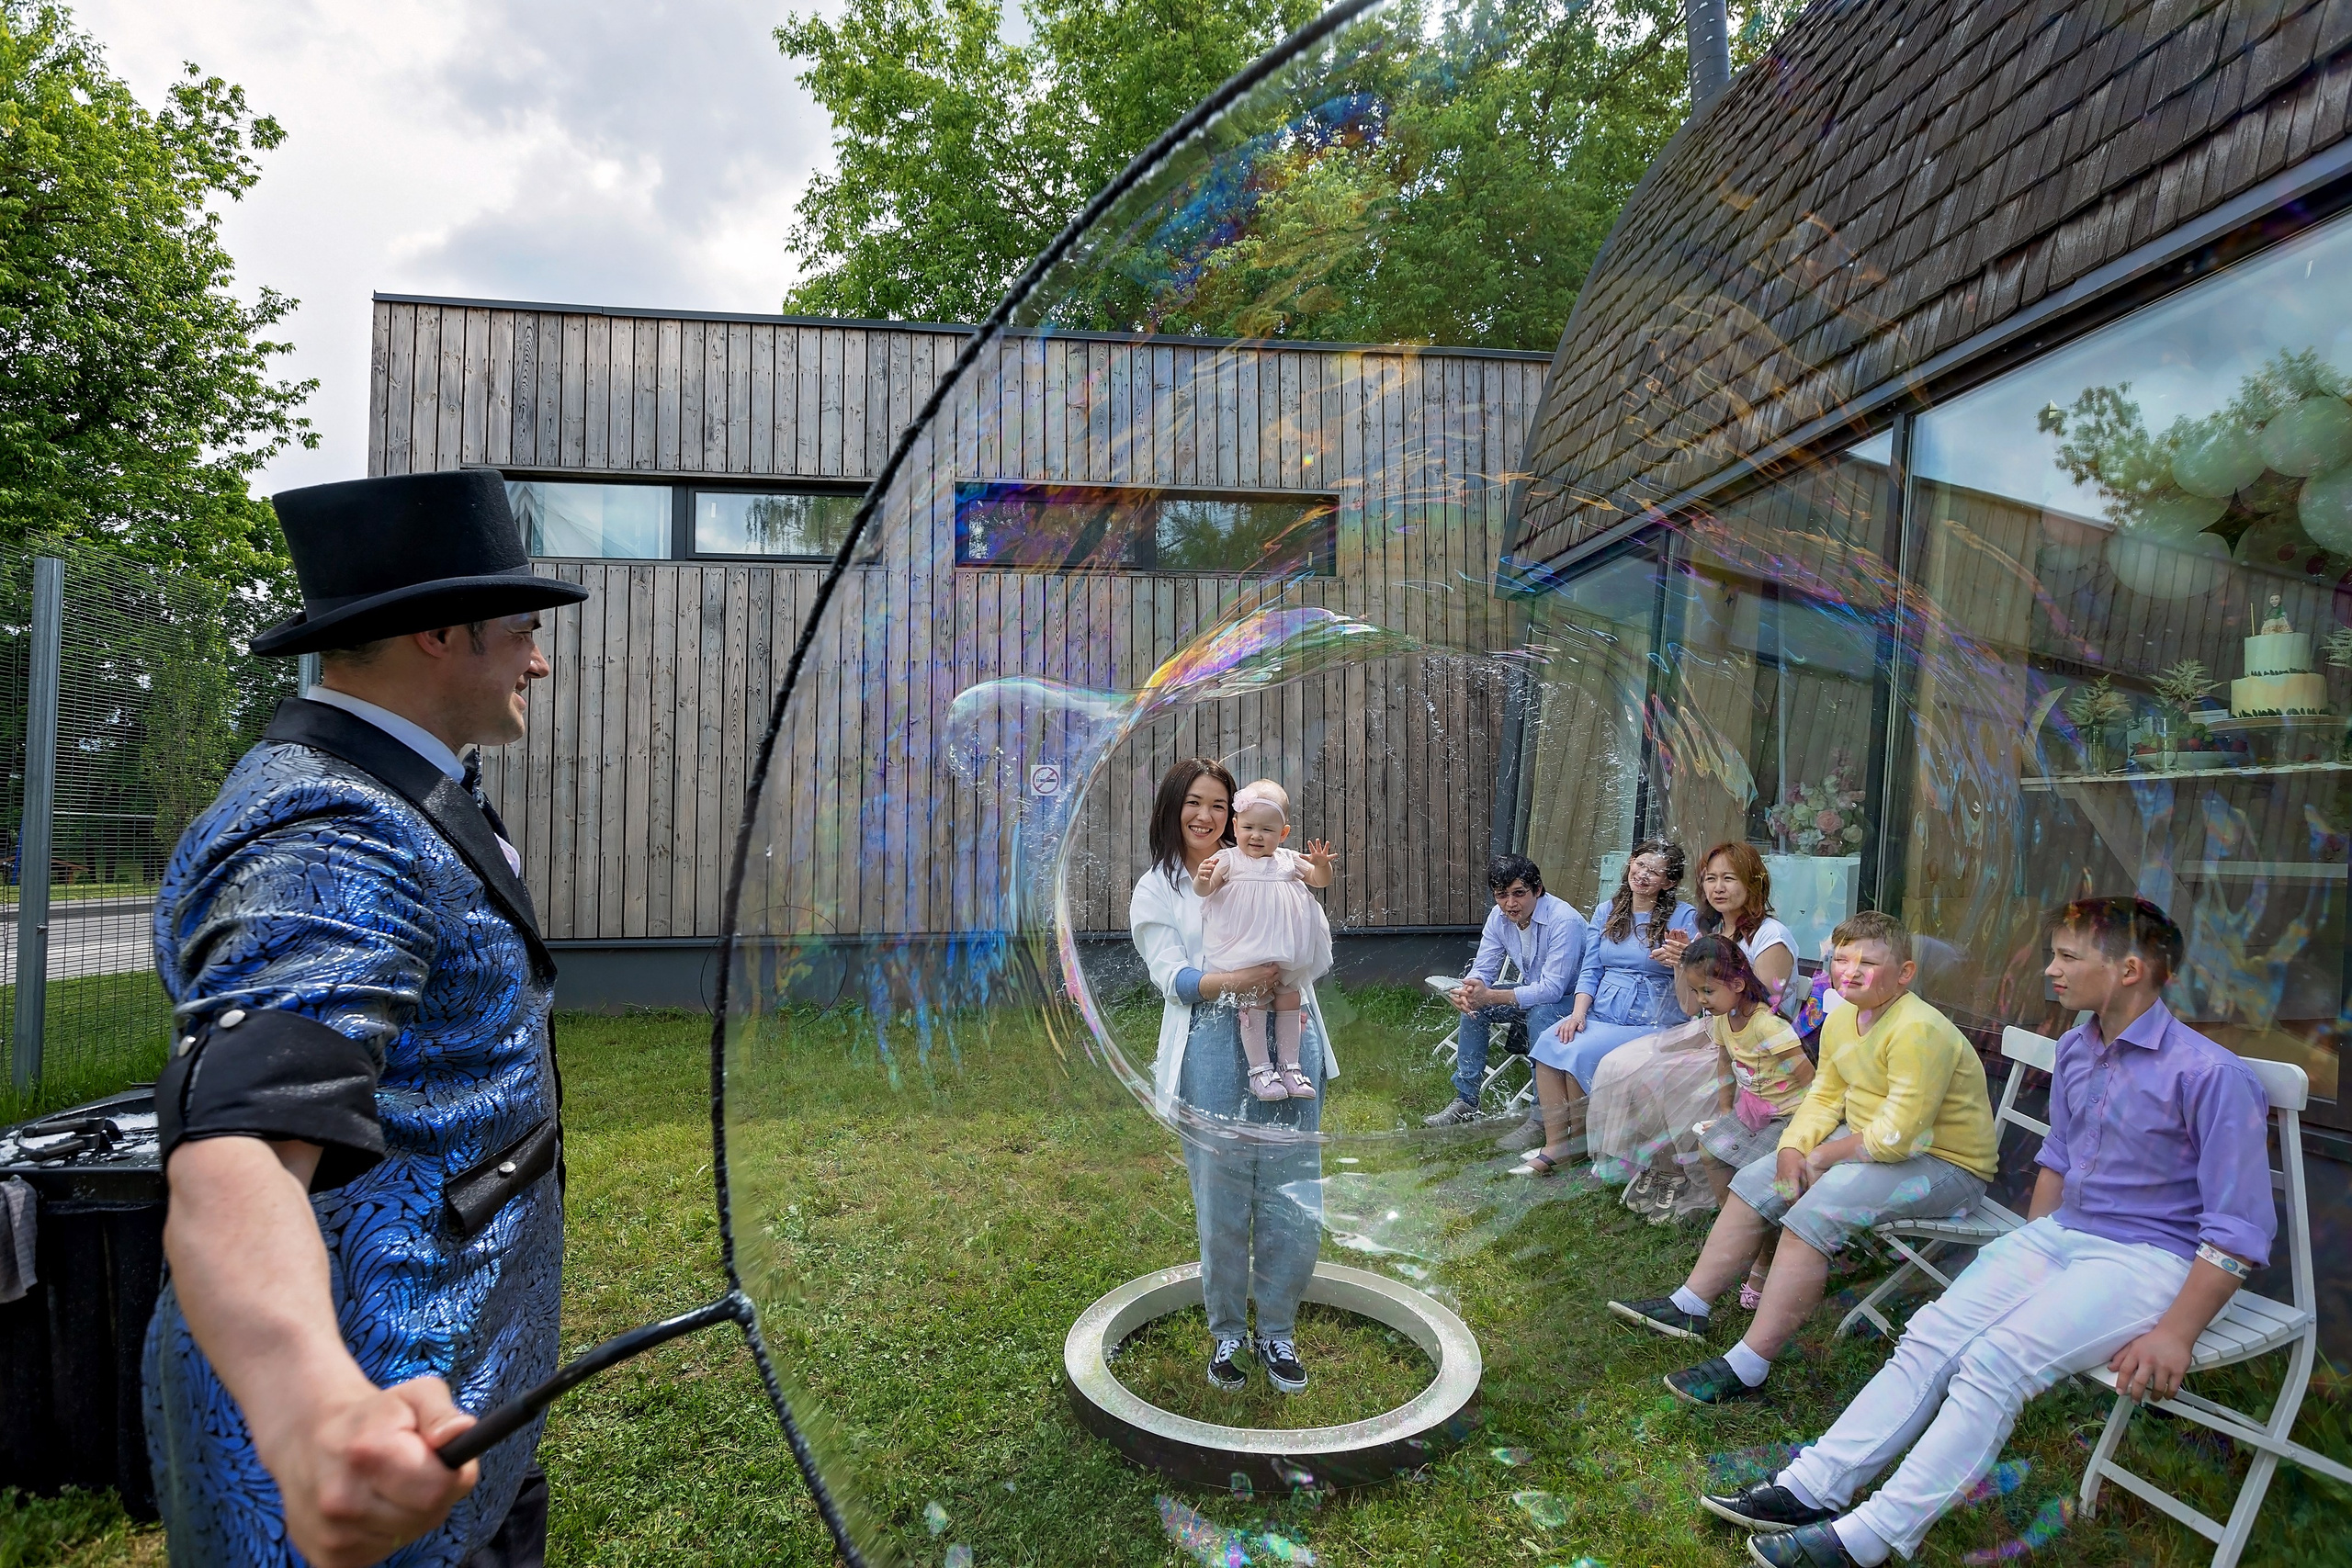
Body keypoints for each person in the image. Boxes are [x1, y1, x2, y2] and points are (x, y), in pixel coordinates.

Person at [143, 471, 590, 1567]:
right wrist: (312, 1407)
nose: (539, 659)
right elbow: (238, 1145)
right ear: (441, 633)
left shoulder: (402, 785)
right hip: (372, 1445)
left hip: (468, 1391)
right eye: (523, 631)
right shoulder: (329, 825)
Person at [1711, 897, 2275, 1567]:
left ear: (2130, 968)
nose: (2052, 968)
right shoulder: (2077, 1049)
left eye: (2068, 956)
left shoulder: (2209, 1074)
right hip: (2063, 1236)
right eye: (2053, 953)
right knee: (1929, 1335)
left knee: (1994, 1362)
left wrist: (2177, 1331)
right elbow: (2059, 1161)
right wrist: (2030, 1252)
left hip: (2152, 1258)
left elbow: (2237, 1228)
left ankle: (1874, 1535)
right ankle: (1812, 1484)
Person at [1606, 910, 1999, 1406]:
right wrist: (1793, 1146)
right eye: (1842, 959)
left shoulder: (1919, 1031)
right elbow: (1824, 1097)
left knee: (1813, 1211)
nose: (1851, 971)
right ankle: (1690, 1305)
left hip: (1947, 1164)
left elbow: (1900, 1136)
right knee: (1756, 1178)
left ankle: (1749, 1366)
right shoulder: (1842, 1019)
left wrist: (1823, 1157)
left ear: (1904, 974)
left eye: (1869, 962)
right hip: (1868, 1141)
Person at [1130, 758, 1338, 1395]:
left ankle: (1277, 1328)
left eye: (1218, 804)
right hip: (1212, 1041)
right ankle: (1227, 1331)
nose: (1207, 816)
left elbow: (1311, 938)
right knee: (1222, 1194)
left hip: (1289, 1029)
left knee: (1290, 1187)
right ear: (1172, 808)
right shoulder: (1159, 887)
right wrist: (1239, 980)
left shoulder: (1266, 860)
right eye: (1194, 802)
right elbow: (1173, 978)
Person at [1589, 842, 1797, 1221]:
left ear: (1754, 883)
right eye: (1711, 879)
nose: (1718, 887)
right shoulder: (1715, 931)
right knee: (1620, 1064)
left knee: (1660, 1075)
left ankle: (1686, 1176)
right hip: (1709, 1026)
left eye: (1729, 878)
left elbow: (1763, 1010)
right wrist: (1681, 967)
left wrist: (1697, 965)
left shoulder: (1771, 937)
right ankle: (1659, 1165)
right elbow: (1690, 1006)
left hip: (1753, 1044)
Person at [1514, 839, 1698, 1177]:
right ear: (1630, 864)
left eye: (1655, 872)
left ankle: (1578, 1145)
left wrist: (1679, 959)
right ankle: (1558, 1143)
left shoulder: (1684, 917)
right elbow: (1591, 969)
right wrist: (1578, 1012)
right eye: (1640, 865)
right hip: (1605, 1012)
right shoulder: (1607, 911)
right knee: (1551, 1042)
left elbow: (1697, 970)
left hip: (1652, 1019)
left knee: (1579, 1052)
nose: (1643, 875)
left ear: (1669, 883)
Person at [1423, 854, 1586, 1132]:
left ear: (1537, 889)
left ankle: (1541, 1117)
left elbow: (1552, 989)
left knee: (1540, 1014)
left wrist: (1492, 996)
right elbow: (1484, 967)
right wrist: (1471, 988)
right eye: (1501, 895)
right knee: (1477, 1005)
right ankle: (1466, 1100)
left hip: (1577, 1000)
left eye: (1519, 894)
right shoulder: (1499, 918)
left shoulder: (1564, 921)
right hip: (1537, 993)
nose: (1510, 904)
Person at [1197, 780, 1336, 1101]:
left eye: (1267, 830)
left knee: (1289, 996)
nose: (1256, 836)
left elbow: (1318, 882)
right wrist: (1202, 880)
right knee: (1256, 997)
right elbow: (1206, 891)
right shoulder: (1230, 859)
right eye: (1248, 827)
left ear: (1283, 834)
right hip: (1247, 948)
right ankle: (1260, 1071)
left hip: (1286, 947)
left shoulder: (1287, 859)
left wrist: (1321, 867)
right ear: (1235, 826)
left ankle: (1290, 1067)